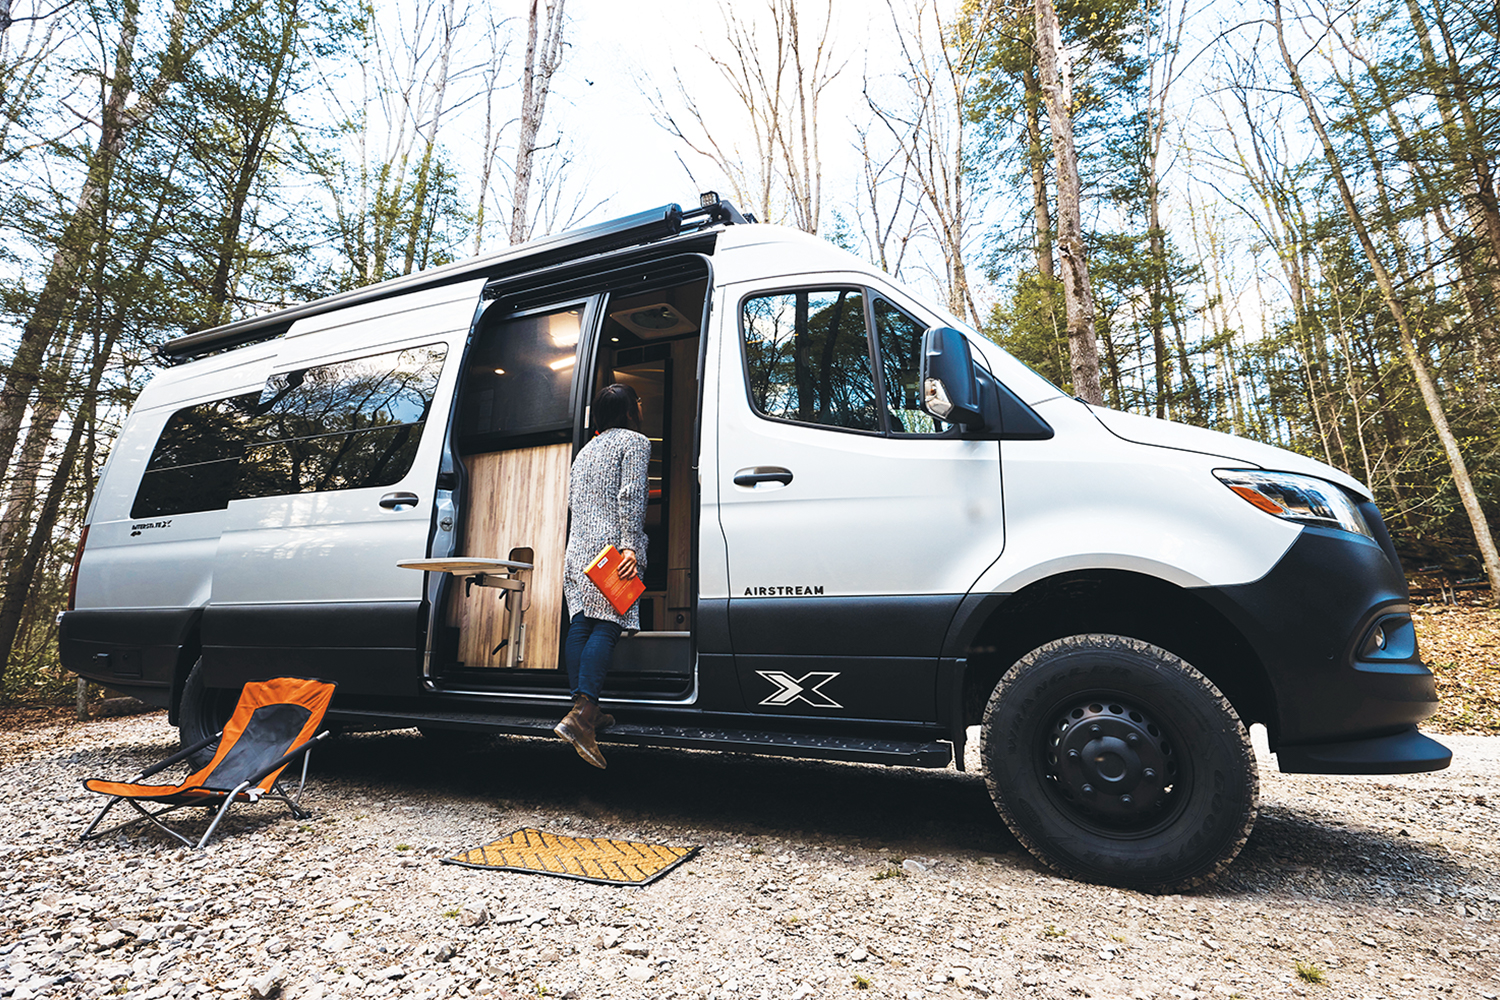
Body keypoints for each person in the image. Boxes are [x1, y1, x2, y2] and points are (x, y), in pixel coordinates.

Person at [554, 382, 651, 768]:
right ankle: (584, 715)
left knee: (581, 623)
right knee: (608, 625)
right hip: (610, 550)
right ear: (630, 412)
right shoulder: (635, 442)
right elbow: (631, 494)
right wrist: (630, 546)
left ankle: (582, 710)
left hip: (577, 550)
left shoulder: (585, 452)